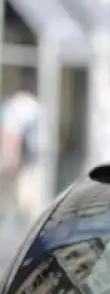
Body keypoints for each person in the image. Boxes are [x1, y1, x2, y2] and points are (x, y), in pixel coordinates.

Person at [0, 70, 45, 226]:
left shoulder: (15, 105)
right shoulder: (36, 105)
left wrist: (9, 157)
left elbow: (11, 134)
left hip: (22, 159)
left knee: (19, 198)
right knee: (26, 199)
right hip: (33, 158)